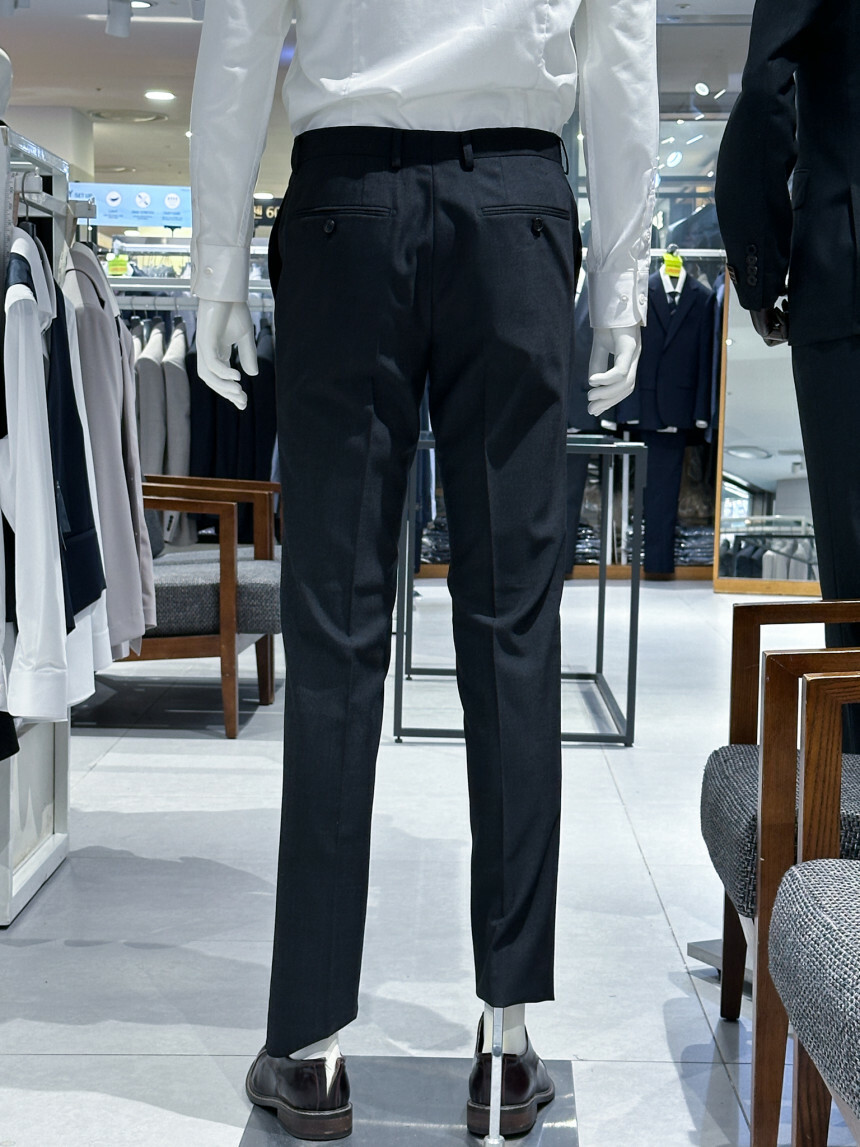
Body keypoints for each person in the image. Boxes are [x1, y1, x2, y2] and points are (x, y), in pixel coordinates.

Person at [190, 0, 658, 1138]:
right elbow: (620, 58)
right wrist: (620, 285)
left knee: (336, 635)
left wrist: (214, 274)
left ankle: (311, 1050)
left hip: (347, 209)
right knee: (513, 629)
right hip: (516, 214)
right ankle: (506, 1038)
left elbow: (241, 35)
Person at [716, 0, 860, 754]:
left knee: (856, 569)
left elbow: (766, 86)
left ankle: (855, 803)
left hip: (848, 263)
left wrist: (762, 269)